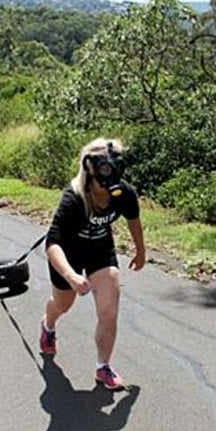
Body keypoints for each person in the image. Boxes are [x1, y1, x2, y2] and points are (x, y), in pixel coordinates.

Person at [39, 137, 146, 390]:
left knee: (109, 311)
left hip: (100, 250)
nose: (111, 177)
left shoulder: (124, 193)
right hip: (69, 255)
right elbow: (52, 243)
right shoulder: (74, 198)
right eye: (105, 169)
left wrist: (141, 251)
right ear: (91, 168)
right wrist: (71, 276)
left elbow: (133, 220)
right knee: (63, 304)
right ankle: (48, 324)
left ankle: (103, 367)